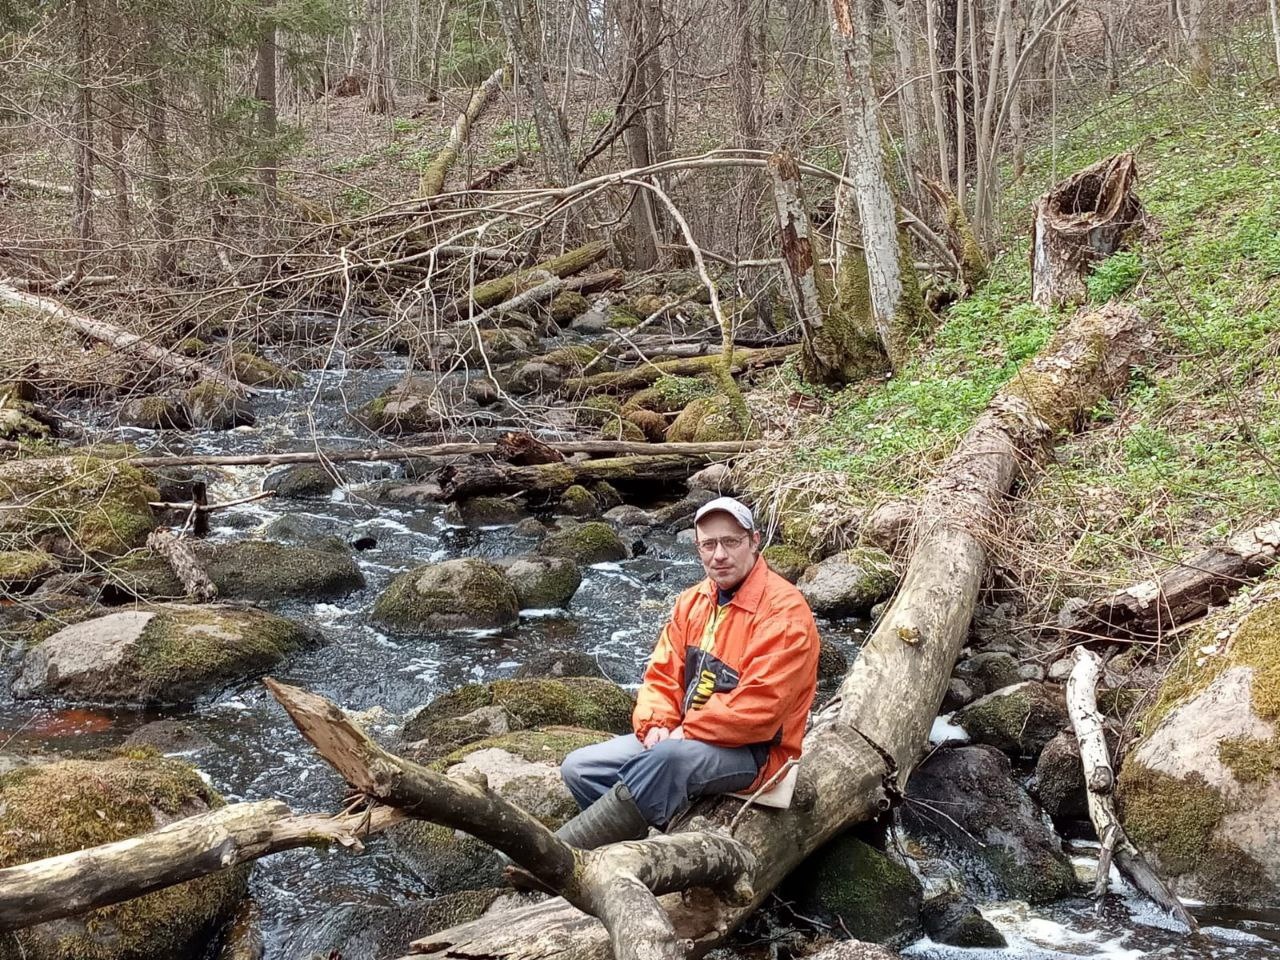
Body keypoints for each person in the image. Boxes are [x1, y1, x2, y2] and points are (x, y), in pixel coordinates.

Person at [557, 495, 821, 849]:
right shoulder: (693, 602)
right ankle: (634, 846)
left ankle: (562, 856)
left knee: (666, 759)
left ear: (754, 541)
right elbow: (662, 675)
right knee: (580, 766)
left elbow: (760, 710)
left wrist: (685, 732)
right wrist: (656, 724)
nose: (719, 555)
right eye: (709, 544)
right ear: (697, 548)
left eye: (731, 542)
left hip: (755, 753)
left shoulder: (783, 612)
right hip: (685, 736)